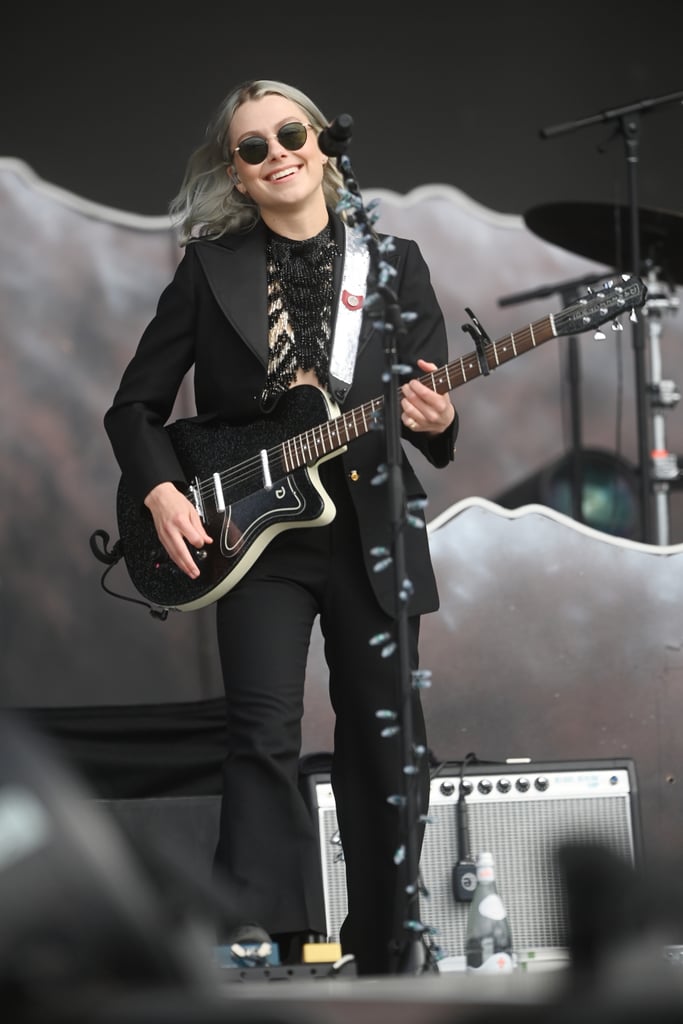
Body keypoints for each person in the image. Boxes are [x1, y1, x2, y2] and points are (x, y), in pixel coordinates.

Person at [103, 79, 457, 977]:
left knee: (387, 739)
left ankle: (387, 951)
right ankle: (266, 943)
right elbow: (134, 409)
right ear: (238, 171)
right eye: (252, 146)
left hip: (371, 523)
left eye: (289, 133)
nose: (277, 154)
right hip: (257, 534)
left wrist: (437, 421)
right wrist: (160, 492)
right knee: (260, 731)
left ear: (322, 143)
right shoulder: (209, 266)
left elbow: (427, 405)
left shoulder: (394, 261)